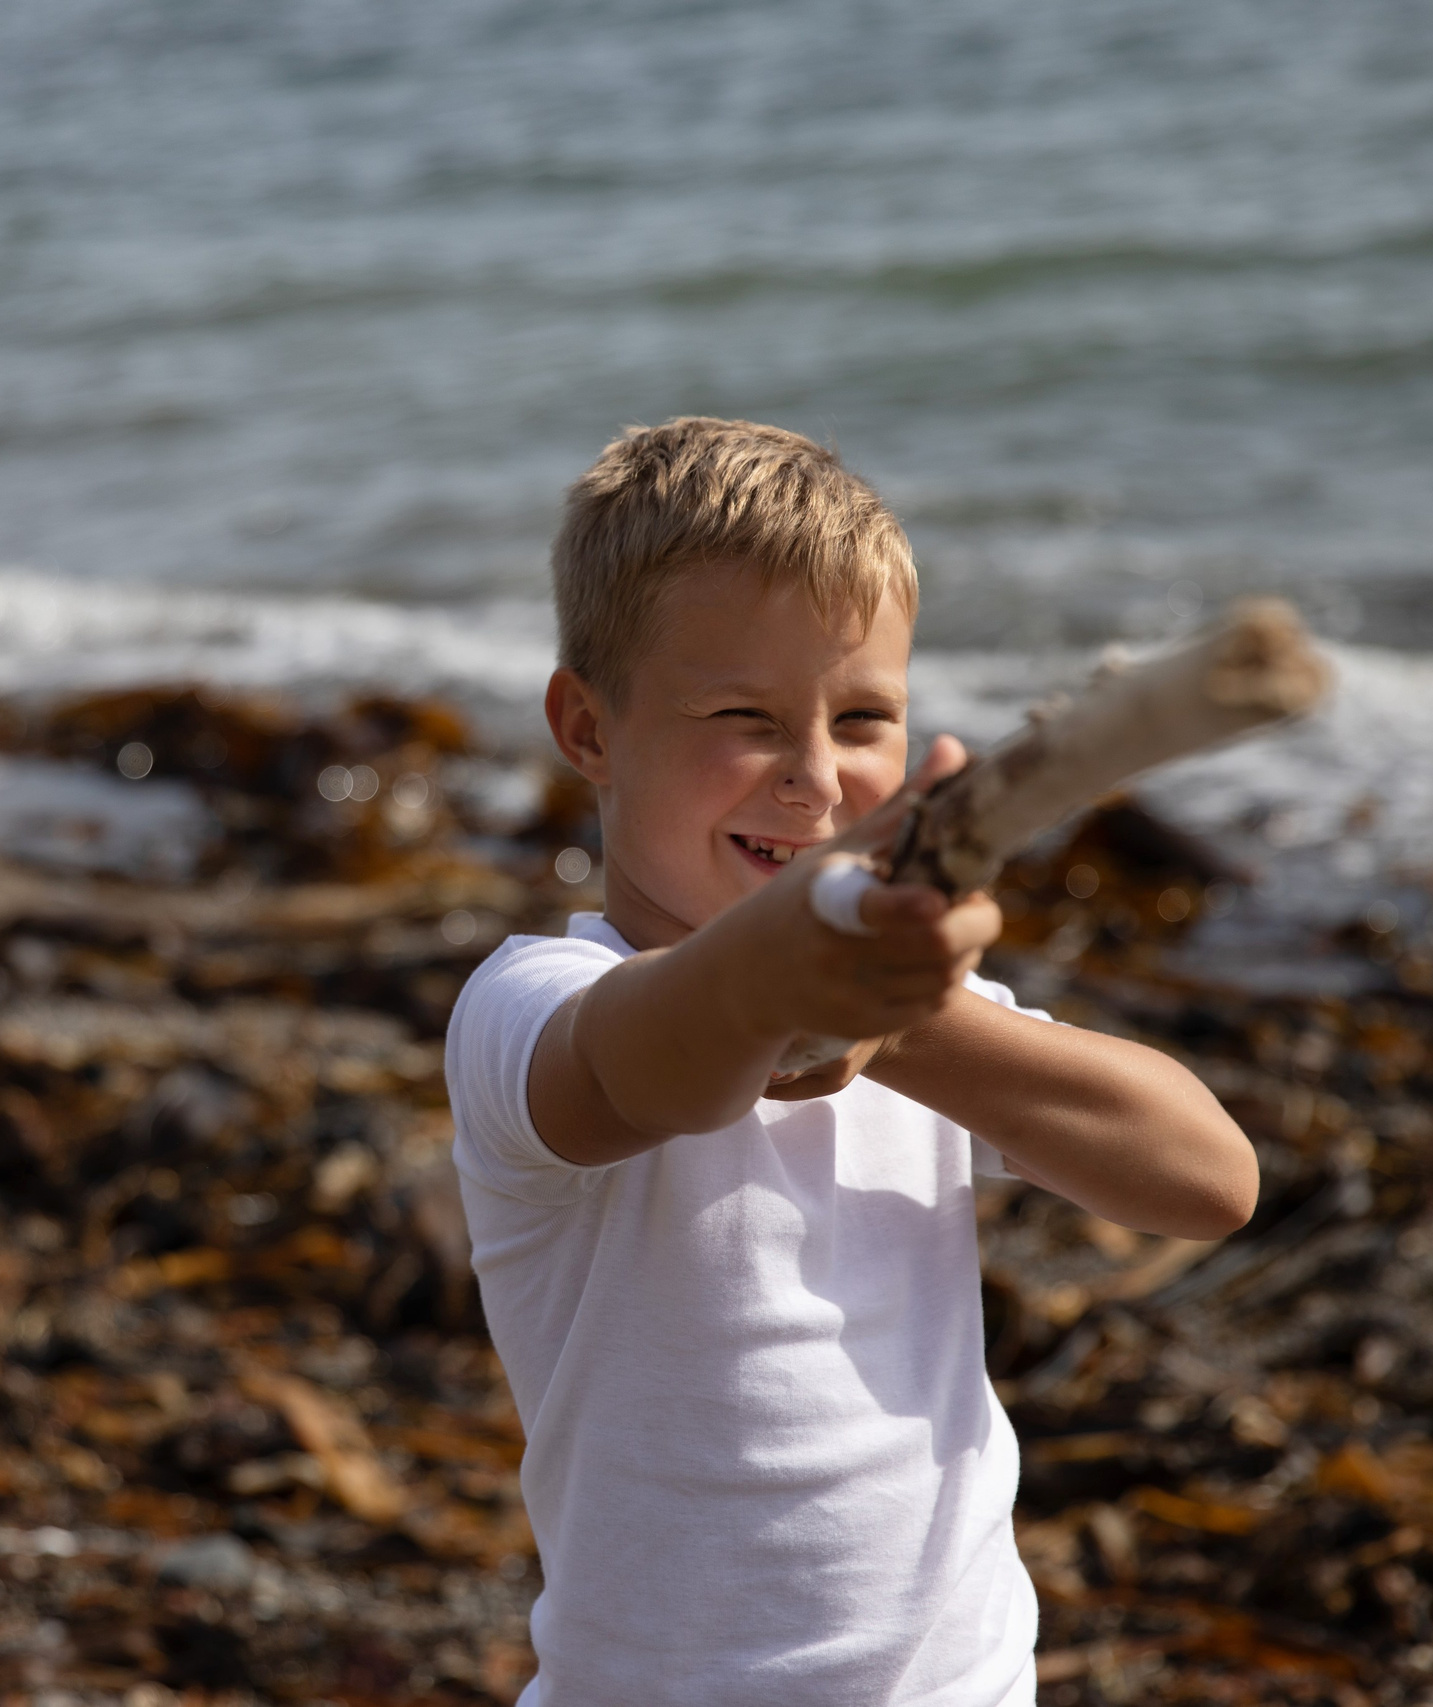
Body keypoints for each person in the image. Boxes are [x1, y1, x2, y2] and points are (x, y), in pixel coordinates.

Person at [444, 418, 1259, 1705]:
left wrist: (912, 1020)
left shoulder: (917, 1010)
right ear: (587, 728)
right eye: (743, 718)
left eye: (863, 716)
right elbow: (659, 1074)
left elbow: (1208, 1179)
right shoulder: (529, 1007)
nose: (817, 781)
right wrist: (795, 976)